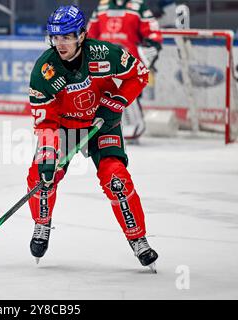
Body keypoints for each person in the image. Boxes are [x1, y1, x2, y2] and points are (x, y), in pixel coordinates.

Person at [27, 5, 158, 271]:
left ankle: (138, 239)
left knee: (116, 179)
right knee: (42, 175)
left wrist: (117, 103)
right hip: (64, 128)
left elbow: (140, 75)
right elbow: (46, 122)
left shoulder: (105, 54)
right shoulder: (45, 71)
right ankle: (42, 223)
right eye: (56, 37)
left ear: (81, 35)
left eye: (66, 36)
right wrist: (49, 156)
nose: (60, 43)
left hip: (102, 124)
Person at [87, 0, 163, 140]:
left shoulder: (139, 6)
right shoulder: (102, 6)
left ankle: (130, 128)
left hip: (128, 65)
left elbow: (153, 34)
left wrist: (146, 55)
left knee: (127, 97)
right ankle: (108, 130)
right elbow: (90, 36)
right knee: (101, 98)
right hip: (103, 65)